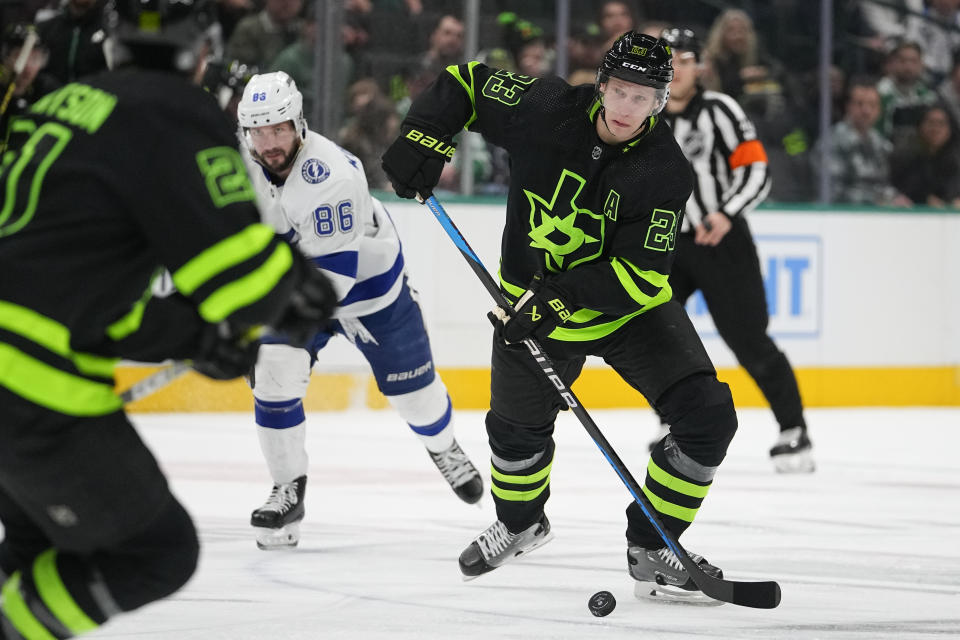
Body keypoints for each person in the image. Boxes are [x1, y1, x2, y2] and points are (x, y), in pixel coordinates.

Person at [0, 0, 337, 637]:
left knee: (39, 553)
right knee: (157, 553)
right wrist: (294, 288)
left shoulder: (59, 107)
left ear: (112, 47)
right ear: (199, 52)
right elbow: (235, 270)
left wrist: (188, 335)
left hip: (19, 368)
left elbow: (87, 292)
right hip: (31, 387)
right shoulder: (172, 110)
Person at [382, 32, 739, 604]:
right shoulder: (546, 109)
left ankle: (653, 545)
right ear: (601, 85)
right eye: (619, 91)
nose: (627, 108)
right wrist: (424, 137)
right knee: (513, 435)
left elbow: (641, 277)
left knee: (709, 418)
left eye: (643, 97)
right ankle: (522, 522)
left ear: (661, 100)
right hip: (530, 312)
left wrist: (557, 299)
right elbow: (466, 84)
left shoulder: (665, 171)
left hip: (626, 315)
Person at [235, 71, 483, 550]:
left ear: (299, 123)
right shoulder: (238, 164)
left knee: (417, 398)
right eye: (259, 131)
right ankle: (289, 492)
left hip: (367, 291)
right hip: (294, 288)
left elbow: (328, 285)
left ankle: (444, 447)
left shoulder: (328, 178)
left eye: (279, 128)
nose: (269, 142)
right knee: (273, 377)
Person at [657, 28, 814, 473]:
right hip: (666, 244)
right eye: (668, 59)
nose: (675, 68)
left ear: (700, 67)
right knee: (659, 334)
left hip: (722, 242)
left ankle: (794, 430)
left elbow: (756, 170)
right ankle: (673, 424)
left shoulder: (720, 110)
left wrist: (725, 213)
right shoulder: (649, 113)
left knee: (748, 339)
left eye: (684, 59)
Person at [817, 78, 910, 206]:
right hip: (841, 218)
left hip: (876, 216)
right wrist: (877, 200)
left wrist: (896, 198)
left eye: (872, 105)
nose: (866, 111)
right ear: (848, 107)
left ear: (879, 110)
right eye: (859, 104)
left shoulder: (880, 142)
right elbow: (833, 192)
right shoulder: (833, 142)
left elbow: (883, 184)